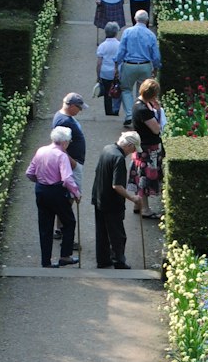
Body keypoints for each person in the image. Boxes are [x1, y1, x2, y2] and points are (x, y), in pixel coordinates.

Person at [25, 126, 80, 267]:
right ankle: (65, 256)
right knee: (69, 222)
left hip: (41, 190)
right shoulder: (61, 155)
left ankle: (46, 261)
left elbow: (30, 173)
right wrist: (76, 193)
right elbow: (67, 179)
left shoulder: (41, 150)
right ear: (65, 142)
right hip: (56, 191)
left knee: (45, 226)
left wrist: (40, 182)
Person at [91, 131, 141, 269]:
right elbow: (117, 185)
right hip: (112, 202)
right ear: (129, 145)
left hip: (99, 197)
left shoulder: (107, 149)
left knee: (101, 232)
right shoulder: (119, 158)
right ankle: (118, 261)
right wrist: (133, 197)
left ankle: (103, 260)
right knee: (117, 234)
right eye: (134, 148)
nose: (133, 152)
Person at [114, 9, 161, 125]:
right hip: (145, 65)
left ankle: (129, 115)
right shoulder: (151, 34)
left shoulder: (127, 32)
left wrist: (116, 64)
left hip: (129, 65)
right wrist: (156, 68)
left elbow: (121, 51)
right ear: (147, 21)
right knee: (143, 92)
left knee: (126, 90)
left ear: (135, 19)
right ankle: (139, 116)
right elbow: (155, 55)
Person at [131, 77, 165, 219]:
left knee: (140, 175)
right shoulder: (143, 109)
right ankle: (145, 209)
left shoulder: (139, 103)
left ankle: (138, 205)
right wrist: (159, 114)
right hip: (148, 149)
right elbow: (156, 129)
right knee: (145, 178)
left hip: (142, 147)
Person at [52, 92, 87, 199]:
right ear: (72, 106)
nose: (80, 111)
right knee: (71, 195)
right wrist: (74, 164)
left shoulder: (64, 116)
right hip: (73, 162)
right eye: (79, 108)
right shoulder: (64, 121)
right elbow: (60, 146)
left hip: (74, 160)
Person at [95, 21, 122, 116]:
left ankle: (108, 112)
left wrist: (98, 76)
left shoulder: (102, 46)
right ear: (116, 32)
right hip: (117, 73)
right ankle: (115, 111)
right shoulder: (120, 45)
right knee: (117, 92)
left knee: (107, 94)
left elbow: (99, 63)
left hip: (105, 73)